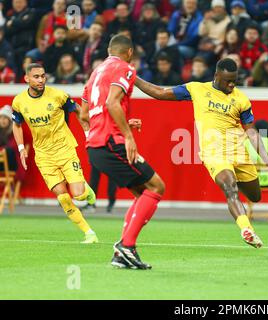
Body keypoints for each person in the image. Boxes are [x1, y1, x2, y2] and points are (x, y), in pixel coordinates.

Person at [134, 57, 268, 249]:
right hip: (213, 153)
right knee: (230, 188)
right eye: (227, 80)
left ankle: (236, 184)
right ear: (216, 76)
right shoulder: (197, 89)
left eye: (235, 80)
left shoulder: (241, 99)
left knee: (255, 196)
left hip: (238, 152)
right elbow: (159, 92)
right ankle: (246, 229)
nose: (232, 84)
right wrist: (133, 77)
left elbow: (251, 132)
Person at [81, 35, 165, 270]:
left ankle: (123, 253)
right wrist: (127, 136)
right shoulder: (125, 68)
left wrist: (119, 125)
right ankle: (126, 246)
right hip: (111, 143)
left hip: (96, 146)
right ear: (129, 52)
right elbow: (112, 103)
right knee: (157, 187)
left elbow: (84, 115)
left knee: (143, 194)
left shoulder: (96, 72)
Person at [11, 63, 98, 243]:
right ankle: (89, 233)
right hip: (43, 156)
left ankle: (84, 189)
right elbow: (16, 124)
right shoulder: (19, 102)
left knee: (79, 195)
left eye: (43, 76)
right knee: (64, 198)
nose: (41, 80)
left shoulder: (58, 95)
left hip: (65, 149)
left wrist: (88, 134)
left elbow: (78, 111)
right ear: (27, 79)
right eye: (36, 77)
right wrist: (21, 149)